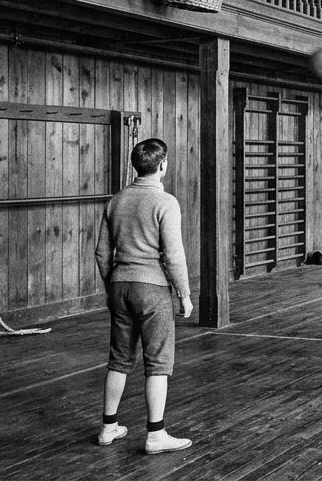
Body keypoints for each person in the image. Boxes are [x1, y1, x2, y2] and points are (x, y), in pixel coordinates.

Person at [93, 138, 193, 455]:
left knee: (119, 359)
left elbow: (100, 253)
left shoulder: (116, 201)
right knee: (158, 363)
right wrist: (185, 295)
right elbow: (174, 257)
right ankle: (155, 434)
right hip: (152, 289)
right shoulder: (166, 202)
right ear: (162, 166)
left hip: (119, 286)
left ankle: (109, 427)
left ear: (136, 166)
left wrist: (114, 284)